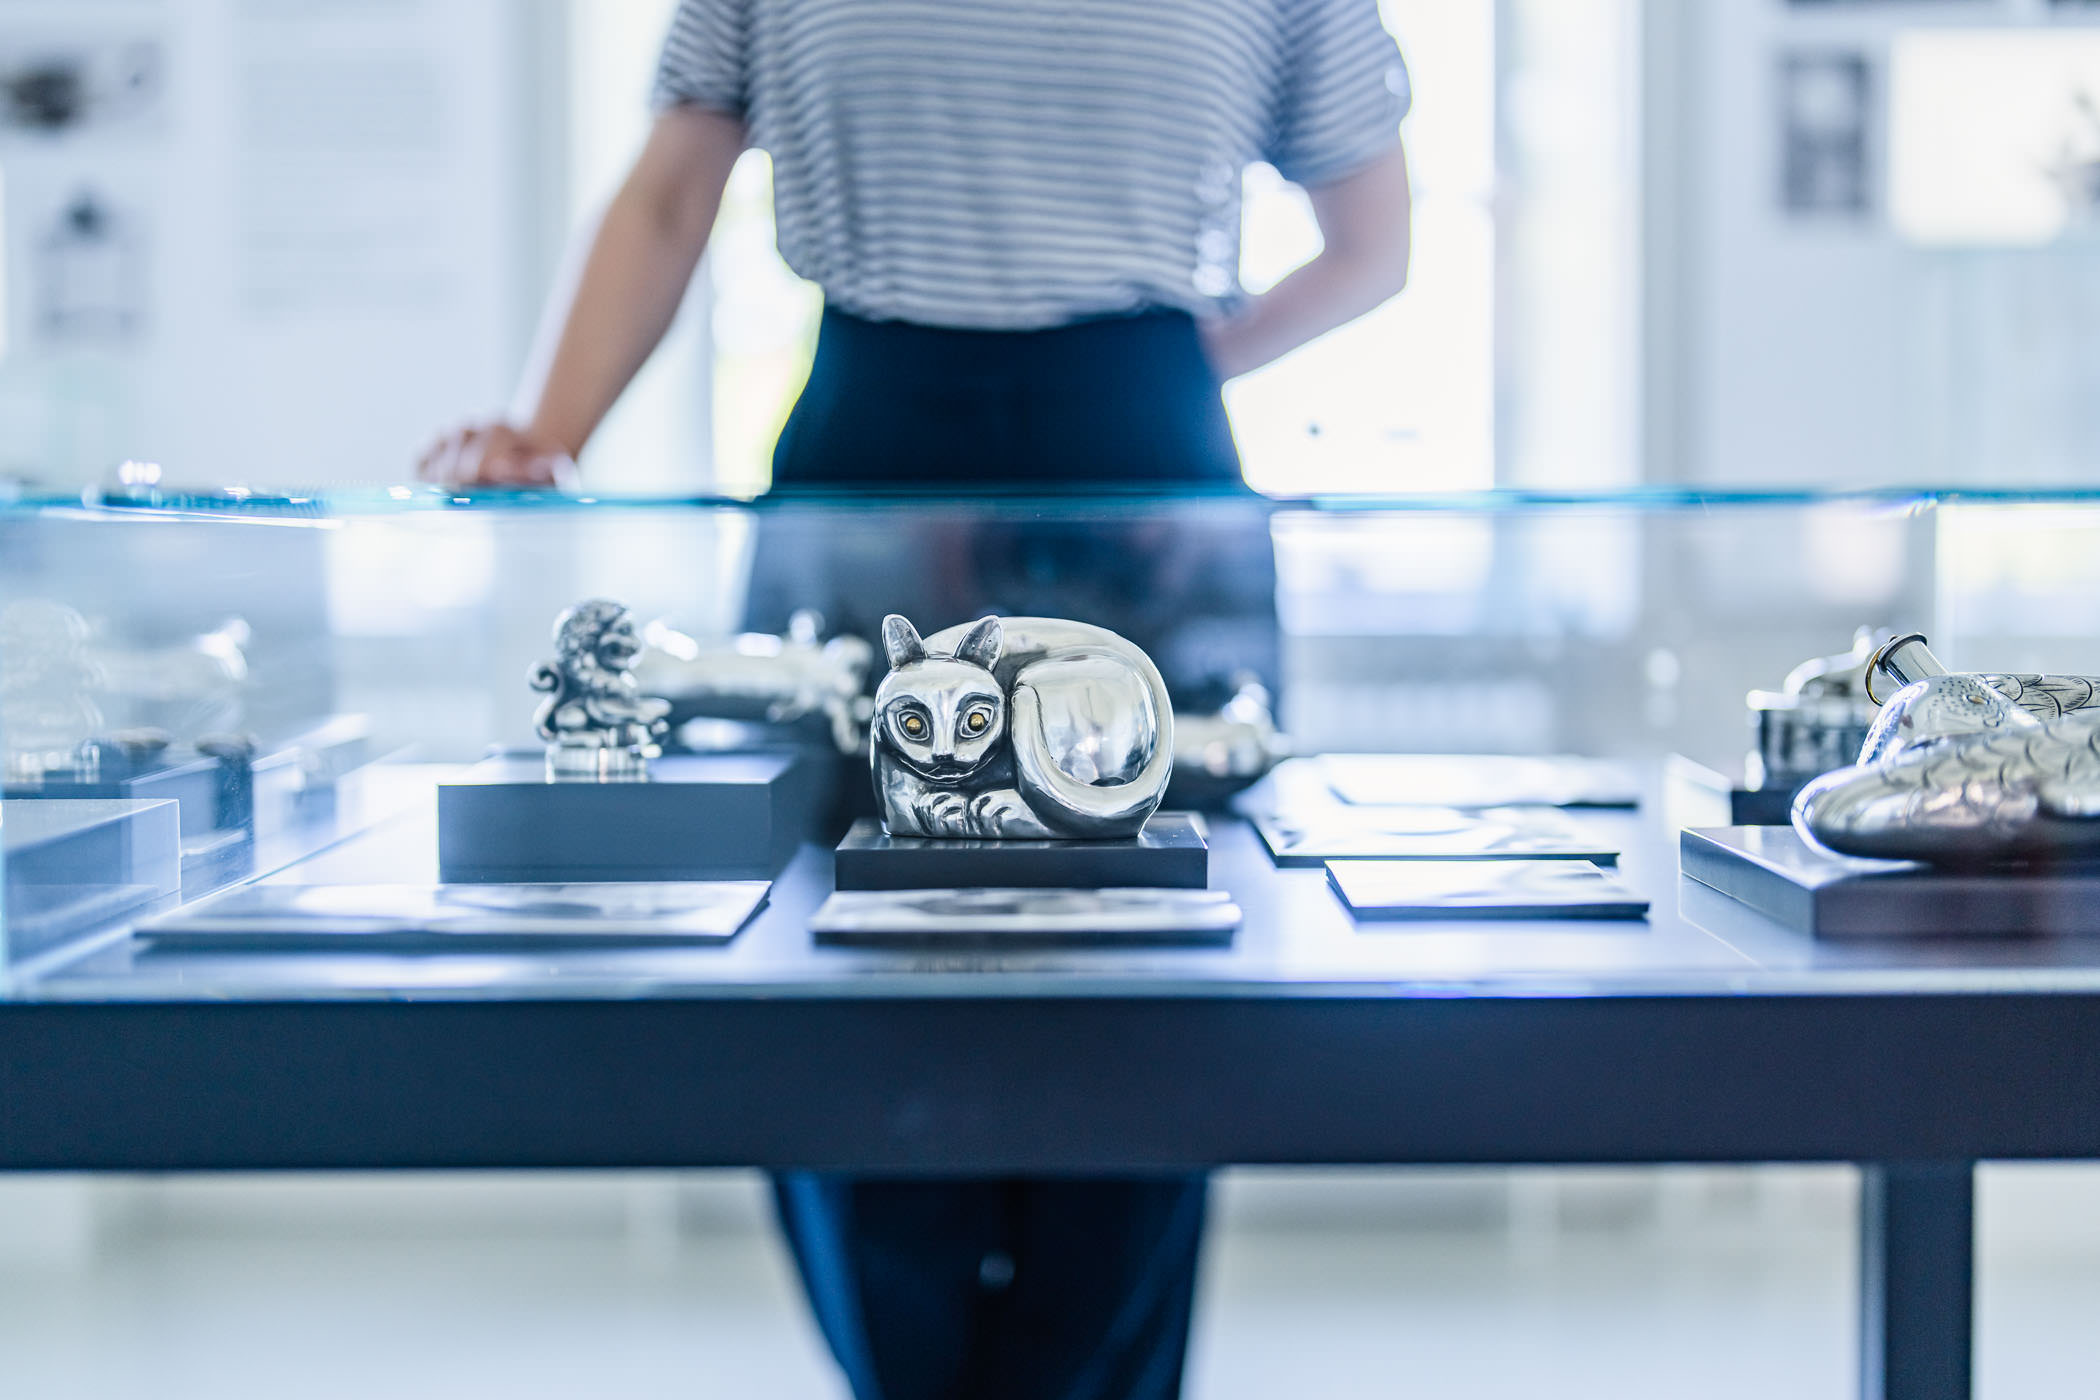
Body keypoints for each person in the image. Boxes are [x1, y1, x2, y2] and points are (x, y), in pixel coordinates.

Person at [423, 3, 1413, 1395]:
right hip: (875, 438)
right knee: (833, 976)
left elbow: (1376, 239)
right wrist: (545, 438)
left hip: (1141, 463)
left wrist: (1171, 372)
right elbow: (668, 196)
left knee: (1150, 993)